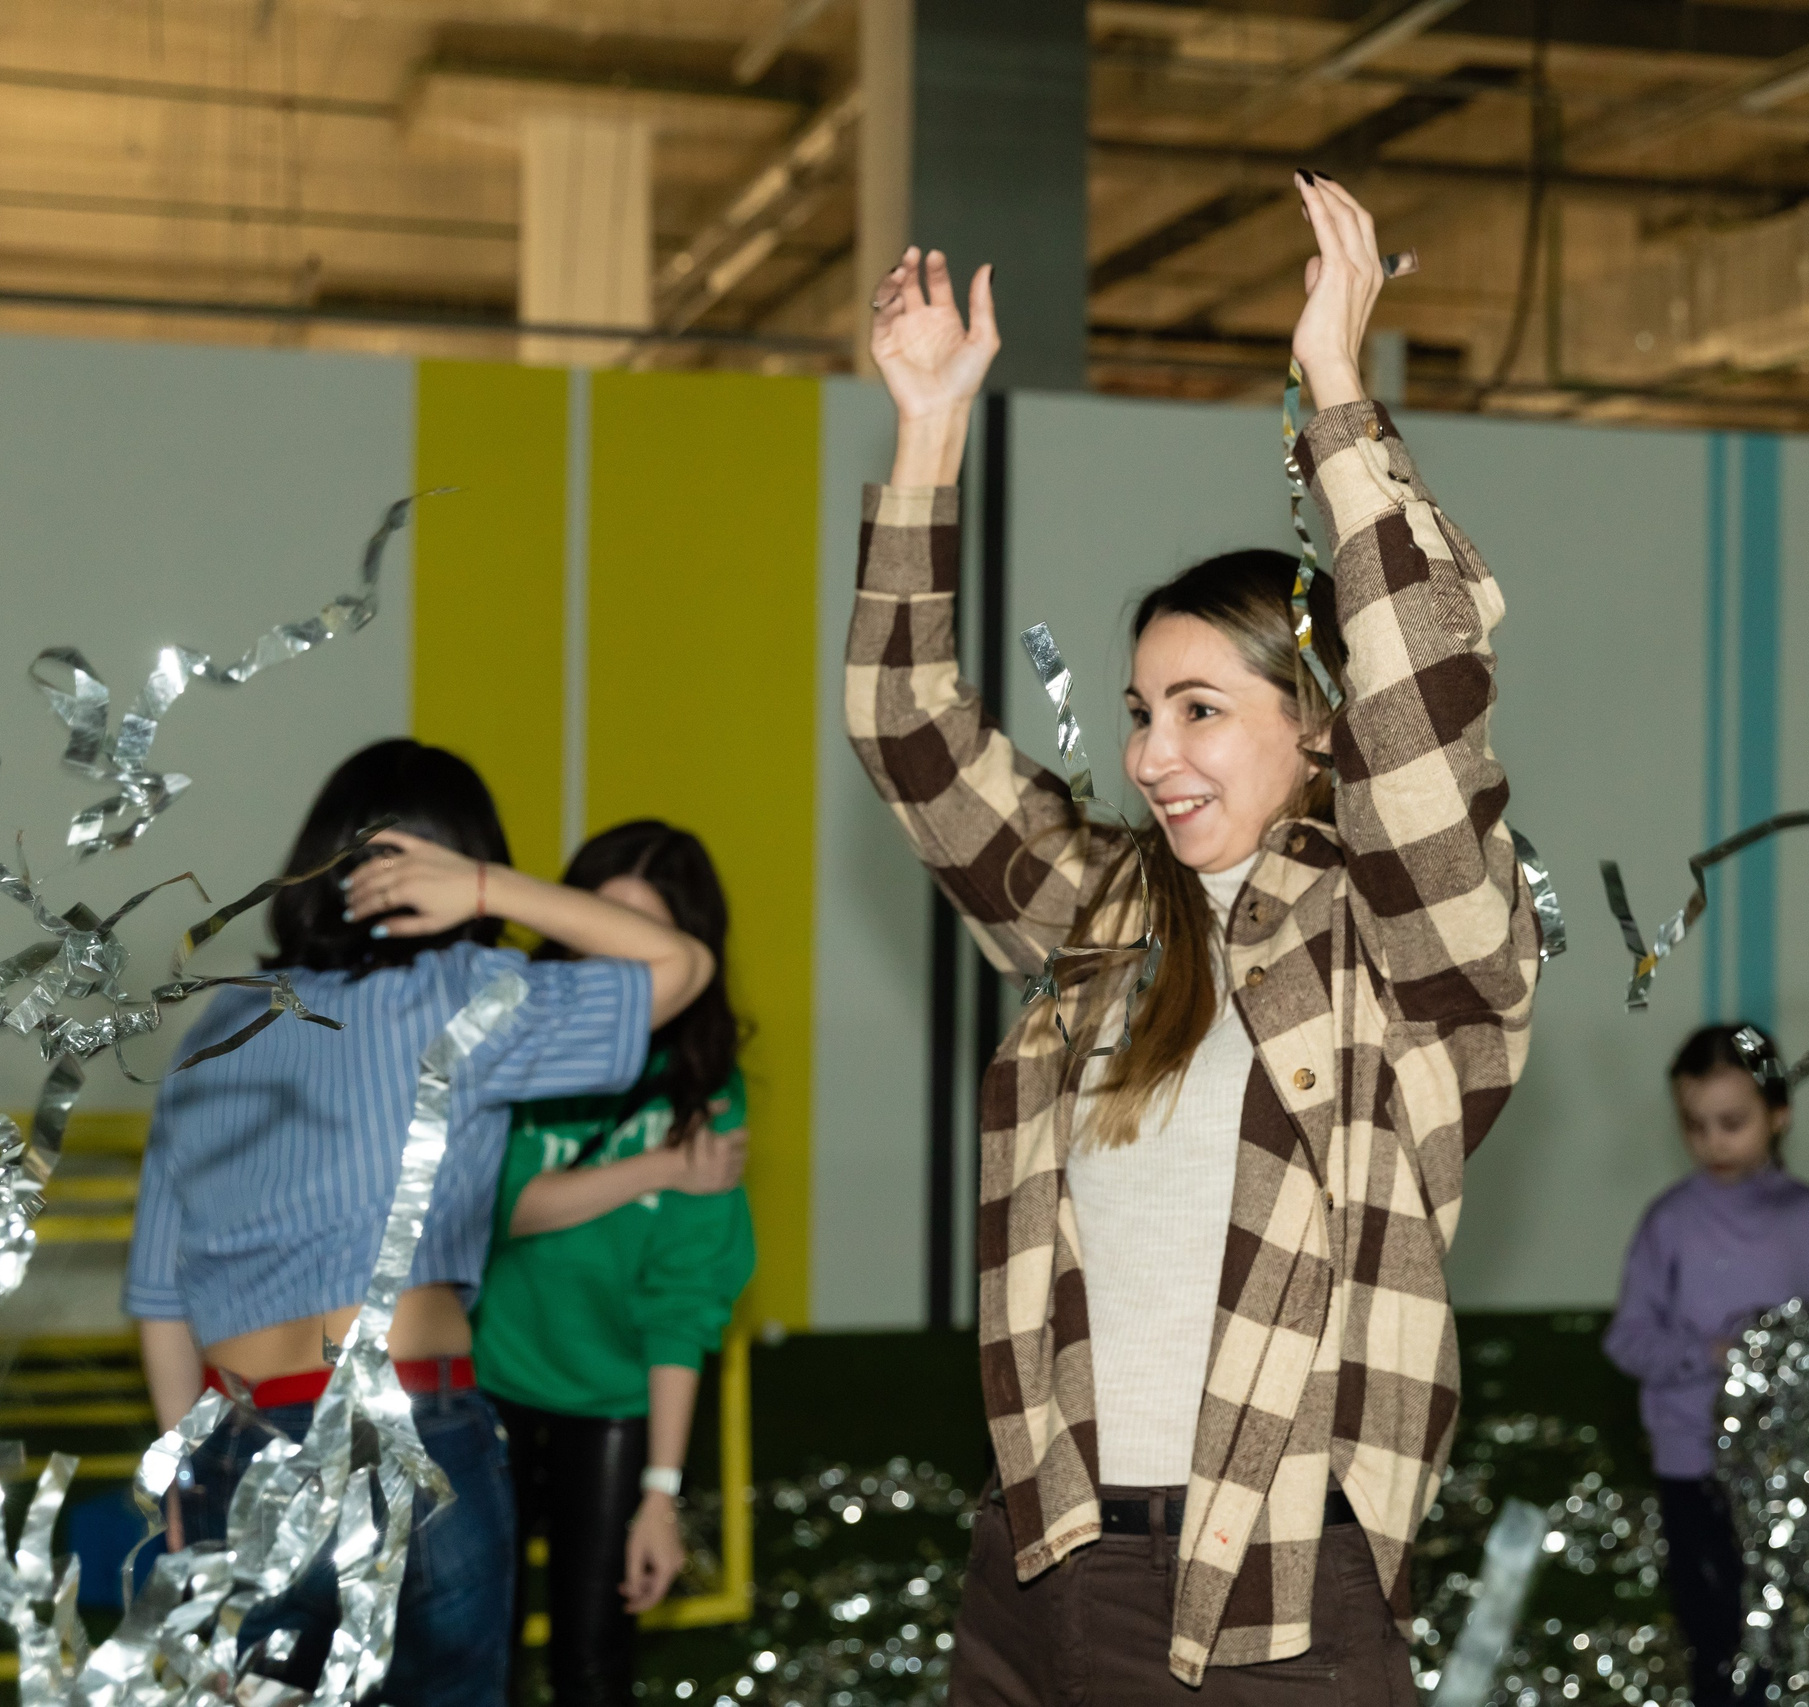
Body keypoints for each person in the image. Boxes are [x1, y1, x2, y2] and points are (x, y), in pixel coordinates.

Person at [848, 173, 1540, 1702]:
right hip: (1045, 1553)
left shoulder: (1410, 944)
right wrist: (927, 428)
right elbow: (906, 732)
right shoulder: (1103, 916)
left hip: (1277, 1582)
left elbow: (1424, 701)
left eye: (1204, 710)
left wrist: (1340, 387)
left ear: (1312, 728)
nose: (1155, 752)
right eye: (1146, 710)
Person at [125, 739, 731, 1706]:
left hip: (236, 1448)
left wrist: (182, 1494)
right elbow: (681, 964)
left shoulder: (214, 1029)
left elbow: (159, 1294)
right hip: (410, 1429)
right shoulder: (463, 993)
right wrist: (490, 887)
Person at [471, 821, 758, 1707]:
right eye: (599, 931)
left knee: (594, 1666)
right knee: (476, 1654)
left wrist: (661, 1493)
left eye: (644, 945)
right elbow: (501, 1210)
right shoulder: (513, 1043)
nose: (613, 969)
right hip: (486, 1384)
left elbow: (686, 1301)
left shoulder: (705, 1082)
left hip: (612, 1400)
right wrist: (665, 1164)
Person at [1603, 1023, 1809, 1707]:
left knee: (1783, 1634)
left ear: (1779, 1114)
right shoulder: (1669, 1222)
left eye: (1732, 1121)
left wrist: (1795, 1348)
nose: (1713, 1140)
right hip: (1693, 1464)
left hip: (1788, 1472)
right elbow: (1627, 1338)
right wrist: (1706, 1353)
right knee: (1716, 1635)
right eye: (1695, 1124)